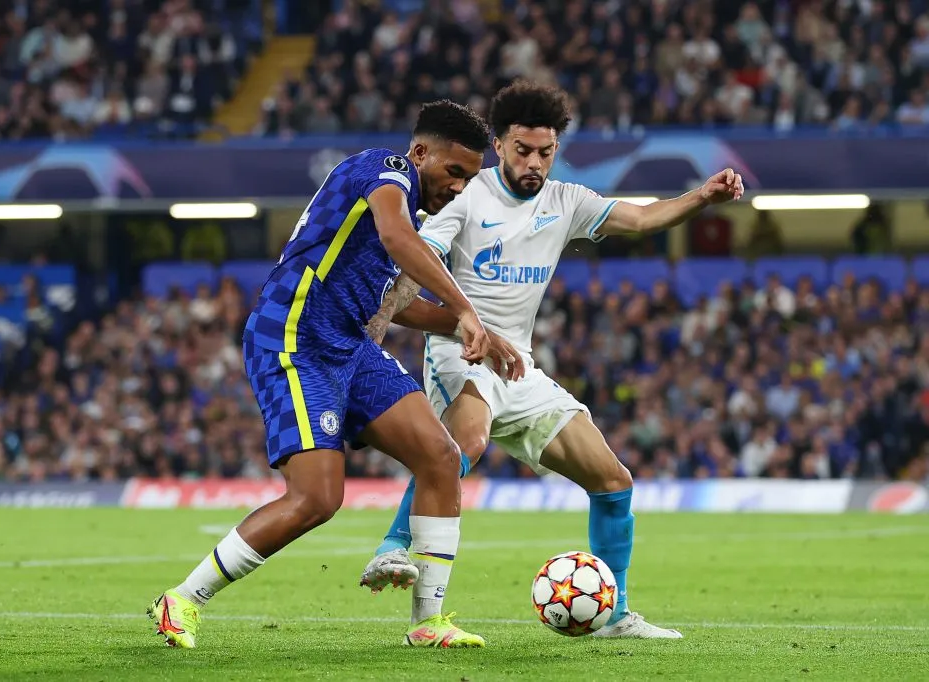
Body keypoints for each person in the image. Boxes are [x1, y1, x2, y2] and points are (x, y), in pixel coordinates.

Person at [360, 81, 744, 638]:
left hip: (522, 368)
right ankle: (392, 546)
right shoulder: (467, 198)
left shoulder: (565, 202)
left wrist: (700, 198)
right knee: (464, 442)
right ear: (499, 146)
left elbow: (639, 218)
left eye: (545, 152)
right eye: (523, 150)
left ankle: (613, 614)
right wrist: (386, 320)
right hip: (462, 354)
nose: (534, 163)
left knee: (614, 481)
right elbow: (409, 273)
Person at [149, 100, 520, 649]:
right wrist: (465, 308)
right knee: (317, 499)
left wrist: (479, 334)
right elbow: (397, 239)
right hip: (294, 336)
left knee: (441, 456)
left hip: (348, 343)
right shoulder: (384, 172)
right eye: (455, 171)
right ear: (420, 153)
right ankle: (181, 599)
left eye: (469, 177)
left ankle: (427, 622)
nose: (460, 186)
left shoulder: (408, 214)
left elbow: (399, 308)